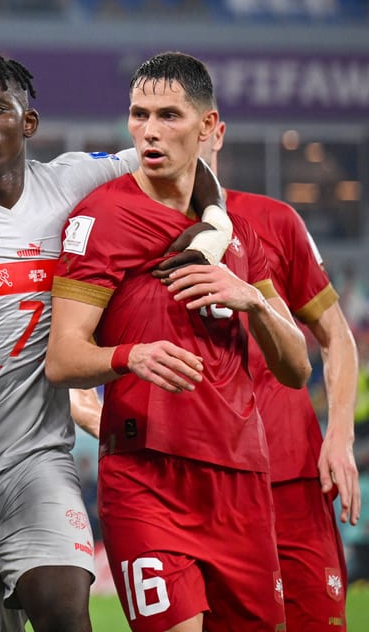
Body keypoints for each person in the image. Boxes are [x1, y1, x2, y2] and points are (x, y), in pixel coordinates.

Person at [0, 52, 232, 632]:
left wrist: (214, 227)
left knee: (64, 605)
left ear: (28, 123)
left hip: (36, 460)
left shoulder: (76, 181)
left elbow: (185, 159)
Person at [45, 51, 312, 632]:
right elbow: (64, 358)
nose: (149, 131)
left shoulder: (237, 235)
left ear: (210, 128)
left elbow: (295, 369)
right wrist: (129, 356)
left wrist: (254, 300)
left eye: (169, 116)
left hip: (241, 481)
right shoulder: (101, 219)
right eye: (139, 115)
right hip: (147, 479)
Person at [201, 120, 360, 629]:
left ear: (214, 129)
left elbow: (337, 336)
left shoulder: (273, 219)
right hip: (202, 479)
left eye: (179, 118)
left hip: (292, 472)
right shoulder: (132, 226)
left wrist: (339, 435)